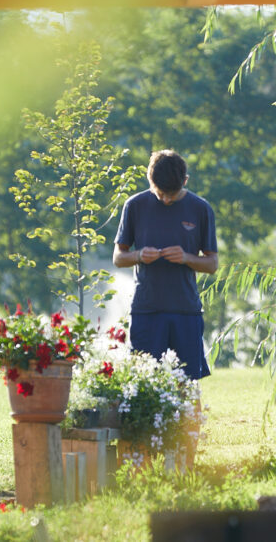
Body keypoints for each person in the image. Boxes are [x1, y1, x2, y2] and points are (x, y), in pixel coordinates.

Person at [113, 149, 218, 380]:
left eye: (172, 193)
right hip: (146, 309)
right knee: (143, 382)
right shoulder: (135, 205)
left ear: (186, 181)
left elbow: (212, 264)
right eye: (160, 194)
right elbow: (119, 258)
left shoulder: (201, 209)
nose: (166, 199)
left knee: (188, 384)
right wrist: (139, 255)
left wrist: (186, 258)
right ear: (150, 180)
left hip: (186, 310)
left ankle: (192, 419)